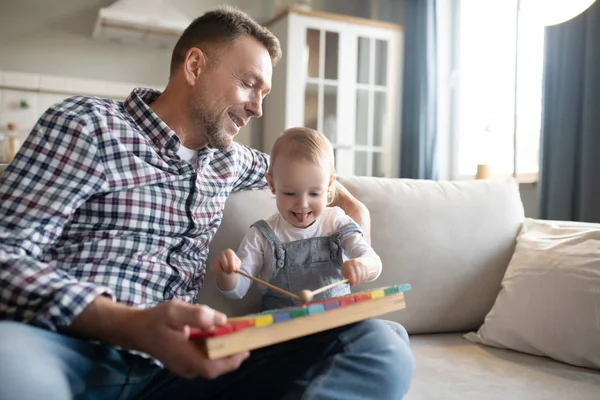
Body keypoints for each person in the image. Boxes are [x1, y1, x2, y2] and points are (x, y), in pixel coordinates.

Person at [0, 6, 414, 400]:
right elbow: (6, 252)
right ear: (195, 66)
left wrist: (354, 214)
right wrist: (129, 324)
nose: (257, 107)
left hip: (179, 374)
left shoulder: (230, 159)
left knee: (382, 342)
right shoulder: (88, 125)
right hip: (67, 352)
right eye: (250, 84)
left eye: (264, 93)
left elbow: (306, 173)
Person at [211, 127, 383, 310]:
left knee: (388, 331)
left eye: (314, 194)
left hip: (338, 323)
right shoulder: (261, 236)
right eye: (290, 193)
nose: (302, 204)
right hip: (287, 330)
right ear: (272, 184)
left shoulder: (337, 222)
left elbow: (373, 261)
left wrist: (363, 265)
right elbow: (236, 290)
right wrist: (228, 274)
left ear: (330, 185)